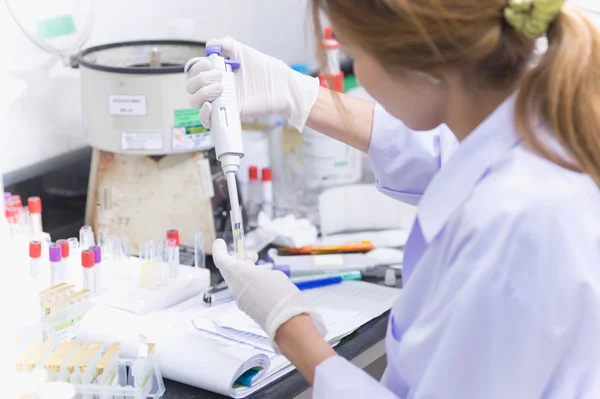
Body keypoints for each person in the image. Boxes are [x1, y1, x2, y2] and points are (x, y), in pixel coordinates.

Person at [186, 0, 600, 397]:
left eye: (355, 55)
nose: (358, 77)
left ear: (420, 61)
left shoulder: (516, 226)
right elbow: (447, 154)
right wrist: (298, 94)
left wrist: (290, 329)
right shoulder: (542, 122)